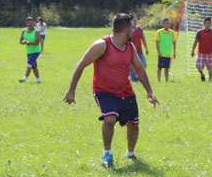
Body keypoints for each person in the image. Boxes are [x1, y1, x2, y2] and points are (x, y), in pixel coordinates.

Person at [63, 13, 158, 168]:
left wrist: (149, 91)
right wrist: (71, 90)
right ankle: (107, 154)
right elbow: (81, 64)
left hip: (125, 91)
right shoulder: (102, 45)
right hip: (104, 91)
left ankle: (130, 153)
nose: (135, 30)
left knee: (134, 124)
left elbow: (139, 69)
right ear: (126, 29)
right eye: (133, 27)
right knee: (110, 119)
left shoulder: (130, 47)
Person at [191, 17, 212, 81]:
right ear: (203, 24)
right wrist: (193, 50)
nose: (208, 24)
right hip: (201, 52)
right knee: (198, 66)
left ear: (211, 24)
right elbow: (195, 42)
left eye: (209, 23)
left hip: (210, 53)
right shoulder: (199, 32)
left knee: (211, 67)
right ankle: (202, 74)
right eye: (206, 23)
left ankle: (210, 80)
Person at [19, 16, 41, 83]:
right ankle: (38, 80)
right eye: (29, 23)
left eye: (32, 22)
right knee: (34, 66)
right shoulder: (24, 31)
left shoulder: (36, 31)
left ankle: (24, 79)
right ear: (26, 23)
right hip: (29, 51)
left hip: (36, 51)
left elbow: (37, 43)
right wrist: (23, 42)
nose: (30, 24)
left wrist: (29, 43)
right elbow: (20, 40)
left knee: (29, 64)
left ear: (34, 23)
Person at [130, 14, 149, 82]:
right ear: (131, 21)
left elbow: (143, 39)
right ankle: (134, 80)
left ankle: (138, 76)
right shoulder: (129, 30)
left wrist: (146, 48)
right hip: (131, 53)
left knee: (144, 64)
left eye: (136, 20)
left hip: (140, 52)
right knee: (132, 68)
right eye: (134, 20)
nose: (135, 22)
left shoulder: (140, 29)